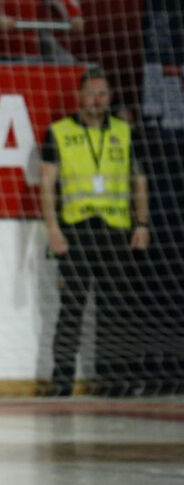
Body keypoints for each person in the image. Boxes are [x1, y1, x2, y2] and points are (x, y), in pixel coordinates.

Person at [40, 67, 151, 397]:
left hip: (115, 230)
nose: (96, 100)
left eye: (102, 94)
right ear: (79, 96)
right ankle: (62, 381)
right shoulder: (59, 132)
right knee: (71, 308)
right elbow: (47, 183)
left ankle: (114, 379)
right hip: (76, 230)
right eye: (90, 93)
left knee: (116, 308)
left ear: (110, 97)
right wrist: (53, 229)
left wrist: (142, 223)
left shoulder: (125, 132)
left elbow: (139, 181)